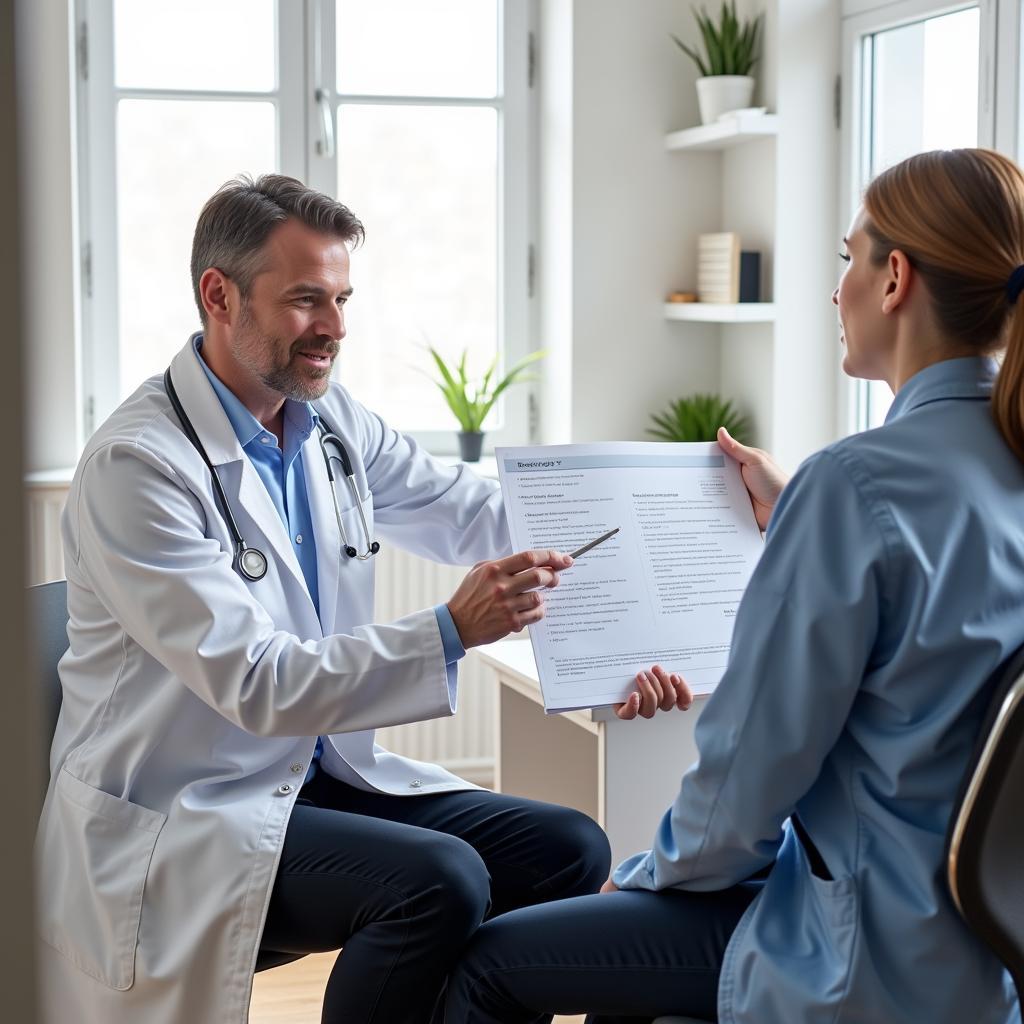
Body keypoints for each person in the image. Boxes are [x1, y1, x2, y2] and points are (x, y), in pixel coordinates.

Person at [34, 174, 694, 1024]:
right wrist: (452, 629)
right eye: (308, 300)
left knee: (569, 848)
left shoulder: (326, 419)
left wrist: (674, 499)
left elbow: (473, 510)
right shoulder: (140, 466)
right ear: (218, 294)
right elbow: (260, 684)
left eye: (343, 298)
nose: (336, 329)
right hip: (186, 809)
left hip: (314, 774)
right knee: (438, 882)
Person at [442, 147, 1024, 1024]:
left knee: (490, 962)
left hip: (862, 951)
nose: (837, 292)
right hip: (989, 955)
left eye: (846, 260)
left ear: (895, 277)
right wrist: (802, 507)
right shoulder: (972, 468)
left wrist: (639, 873)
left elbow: (745, 787)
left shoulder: (856, 487)